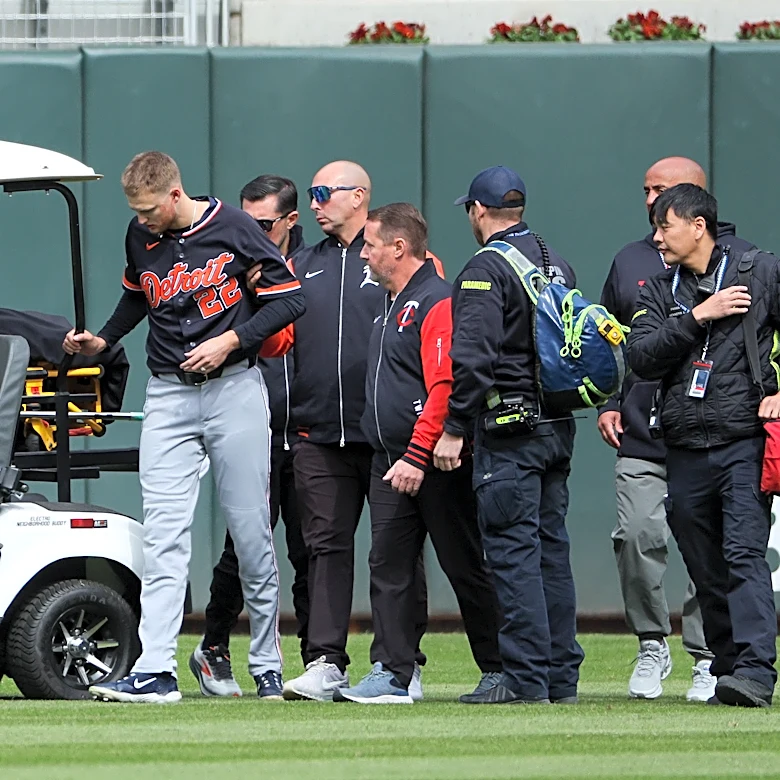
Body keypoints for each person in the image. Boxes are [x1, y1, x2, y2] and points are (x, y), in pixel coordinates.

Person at [64, 151, 304, 704]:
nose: (142, 219)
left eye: (149, 209)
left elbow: (289, 300)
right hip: (169, 394)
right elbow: (137, 294)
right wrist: (104, 340)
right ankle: (156, 671)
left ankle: (266, 662)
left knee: (250, 535)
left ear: (175, 194)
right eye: (136, 211)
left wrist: (231, 339)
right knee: (164, 537)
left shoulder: (234, 226)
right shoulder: (139, 234)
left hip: (234, 387)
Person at [598, 157, 756, 702]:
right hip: (655, 429)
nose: (651, 207)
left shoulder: (750, 266)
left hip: (729, 434)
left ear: (698, 212)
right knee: (648, 539)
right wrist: (609, 402)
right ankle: (654, 643)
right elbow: (627, 351)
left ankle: (721, 660)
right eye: (646, 192)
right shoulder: (635, 267)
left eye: (662, 197)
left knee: (724, 552)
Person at [332, 203, 502, 704]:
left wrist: (417, 452)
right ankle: (392, 673)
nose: (363, 254)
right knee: (388, 564)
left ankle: (500, 668)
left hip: (433, 461)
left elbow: (444, 385)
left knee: (464, 564)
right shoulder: (393, 299)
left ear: (399, 248)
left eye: (370, 245)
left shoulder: (436, 299)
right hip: (388, 458)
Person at [433, 166, 584, 705]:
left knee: (513, 556)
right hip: (557, 427)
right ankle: (561, 679)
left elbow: (473, 359)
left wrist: (453, 429)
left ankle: (524, 681)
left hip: (508, 432)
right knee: (551, 554)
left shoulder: (484, 268)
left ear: (477, 211)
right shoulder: (553, 261)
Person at [628, 183, 780, 708]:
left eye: (664, 226)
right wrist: (699, 315)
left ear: (698, 226)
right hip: (683, 445)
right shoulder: (657, 288)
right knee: (704, 564)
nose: (657, 237)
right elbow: (642, 356)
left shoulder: (759, 271)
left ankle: (757, 672)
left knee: (742, 554)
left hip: (743, 440)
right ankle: (729, 669)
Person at [189, 174, 310, 697]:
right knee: (244, 545)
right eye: (245, 221)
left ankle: (318, 659)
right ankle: (213, 645)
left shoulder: (319, 266)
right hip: (250, 421)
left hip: (310, 429)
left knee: (311, 549)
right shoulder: (229, 259)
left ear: (289, 221)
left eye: (262, 224)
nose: (252, 232)